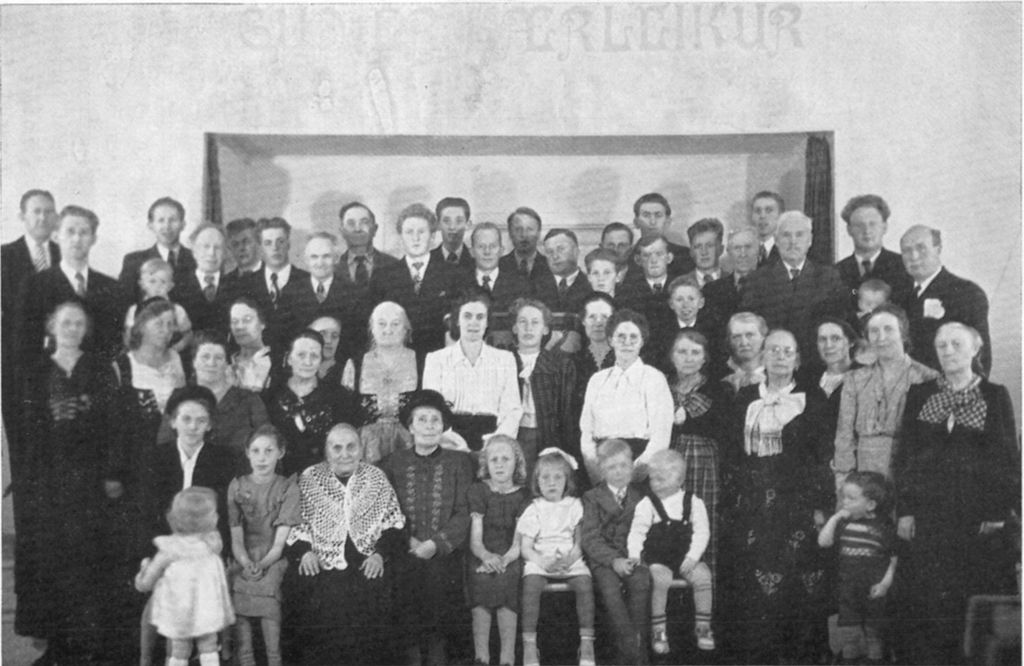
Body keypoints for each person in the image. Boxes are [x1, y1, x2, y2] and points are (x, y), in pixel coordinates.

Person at [894, 322, 1019, 665]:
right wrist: (905, 510)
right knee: (928, 599)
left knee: (970, 596)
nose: (948, 351)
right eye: (942, 345)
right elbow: (905, 456)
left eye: (956, 344)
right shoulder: (921, 393)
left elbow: (1007, 458)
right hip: (928, 514)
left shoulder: (994, 395)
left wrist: (997, 512)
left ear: (976, 349)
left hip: (976, 517)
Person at [720, 328, 833, 664]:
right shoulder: (745, 397)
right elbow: (732, 452)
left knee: (799, 577)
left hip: (797, 503)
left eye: (787, 351)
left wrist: (820, 505)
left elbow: (822, 456)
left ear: (797, 359)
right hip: (753, 503)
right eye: (773, 350)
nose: (780, 357)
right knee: (756, 576)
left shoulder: (813, 398)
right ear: (763, 356)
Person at [16, 301, 116, 662]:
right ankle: (57, 646)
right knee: (53, 560)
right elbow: (30, 429)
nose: (72, 329)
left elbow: (112, 424)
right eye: (66, 323)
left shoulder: (100, 368)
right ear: (52, 327)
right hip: (51, 480)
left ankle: (87, 646)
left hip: (91, 480)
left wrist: (111, 473)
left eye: (78, 323)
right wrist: (33, 481)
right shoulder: (37, 371)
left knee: (88, 558)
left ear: (86, 329)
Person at [283, 424, 407, 665]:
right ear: (326, 451)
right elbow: (297, 523)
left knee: (374, 600)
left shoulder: (375, 477)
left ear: (361, 449)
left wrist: (379, 555)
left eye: (351, 447)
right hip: (322, 561)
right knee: (320, 601)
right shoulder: (310, 478)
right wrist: (305, 553)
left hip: (367, 559)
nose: (344, 454)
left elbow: (393, 524)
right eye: (337, 448)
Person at [382, 389, 474, 666]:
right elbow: (386, 508)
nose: (429, 426)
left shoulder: (459, 462)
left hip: (445, 553)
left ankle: (438, 658)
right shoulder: (393, 463)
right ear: (410, 426)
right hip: (405, 550)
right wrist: (407, 541)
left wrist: (435, 544)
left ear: (444, 426)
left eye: (435, 420)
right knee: (405, 594)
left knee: (439, 592)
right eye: (421, 419)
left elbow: (463, 512)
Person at [832, 305, 939, 488]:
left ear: (902, 333)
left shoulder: (927, 378)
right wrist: (844, 482)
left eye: (888, 329)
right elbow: (844, 436)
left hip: (906, 473)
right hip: (863, 476)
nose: (881, 337)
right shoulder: (854, 379)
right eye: (874, 331)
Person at [16, 205, 127, 369]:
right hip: (52, 378)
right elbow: (26, 345)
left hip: (98, 377)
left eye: (84, 233)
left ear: (93, 239)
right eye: (70, 231)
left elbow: (115, 344)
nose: (76, 239)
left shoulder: (112, 287)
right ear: (56, 236)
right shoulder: (35, 285)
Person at [134, 487, 234, 666]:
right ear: (212, 520)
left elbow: (145, 584)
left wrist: (143, 570)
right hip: (207, 611)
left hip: (179, 613)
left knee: (180, 649)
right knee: (209, 645)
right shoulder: (211, 547)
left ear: (172, 518)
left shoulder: (170, 550)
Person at [628, 449, 715, 655]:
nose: (656, 484)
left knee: (704, 577)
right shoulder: (647, 504)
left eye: (662, 479)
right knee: (660, 580)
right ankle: (659, 631)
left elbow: (702, 532)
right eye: (653, 479)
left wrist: (692, 557)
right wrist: (634, 554)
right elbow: (637, 532)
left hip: (687, 558)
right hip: (659, 559)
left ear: (680, 480)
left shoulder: (694, 502)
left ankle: (703, 627)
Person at [228, 426, 301, 666]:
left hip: (273, 559)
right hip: (243, 557)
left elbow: (279, 544)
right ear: (247, 453)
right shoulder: (237, 486)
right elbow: (236, 537)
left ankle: (274, 659)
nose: (262, 458)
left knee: (269, 599)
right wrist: (246, 563)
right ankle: (246, 659)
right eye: (256, 451)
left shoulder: (288, 487)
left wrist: (262, 564)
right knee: (238, 593)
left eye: (269, 451)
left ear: (281, 452)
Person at [516, 448, 596, 666]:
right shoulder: (534, 508)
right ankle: (530, 645)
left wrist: (569, 560)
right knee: (531, 585)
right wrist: (542, 562)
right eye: (545, 478)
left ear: (567, 480)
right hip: (541, 559)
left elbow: (580, 543)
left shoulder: (574, 505)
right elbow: (526, 547)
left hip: (570, 559)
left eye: (558, 477)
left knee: (584, 583)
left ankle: (587, 643)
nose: (551, 483)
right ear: (537, 482)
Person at [1, 189, 60, 479]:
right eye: (36, 211)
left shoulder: (65, 253)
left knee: (56, 445)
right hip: (17, 367)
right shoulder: (4, 256)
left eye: (48, 211)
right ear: (22, 216)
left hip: (59, 366)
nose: (42, 217)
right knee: (23, 447)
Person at [579, 309, 673, 484]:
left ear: (642, 341)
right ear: (610, 340)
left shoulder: (654, 378)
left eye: (633, 337)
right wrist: (596, 470)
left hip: (639, 464)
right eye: (621, 336)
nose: (627, 343)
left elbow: (661, 436)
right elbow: (586, 431)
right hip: (602, 464)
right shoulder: (597, 380)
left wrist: (634, 474)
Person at [369, 203, 471, 362]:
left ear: (432, 236)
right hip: (396, 362)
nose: (415, 238)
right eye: (409, 232)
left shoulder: (454, 275)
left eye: (421, 232)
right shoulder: (382, 276)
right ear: (400, 236)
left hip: (439, 360)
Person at [580, 439, 651, 666]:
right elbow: (590, 538)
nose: (619, 471)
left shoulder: (640, 497)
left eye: (624, 465)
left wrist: (633, 558)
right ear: (601, 471)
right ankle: (632, 650)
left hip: (632, 558)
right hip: (604, 561)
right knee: (610, 590)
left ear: (632, 466)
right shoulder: (592, 497)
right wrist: (613, 560)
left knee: (641, 582)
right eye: (612, 467)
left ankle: (634, 652)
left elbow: (646, 532)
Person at [423, 293, 522, 451]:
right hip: (449, 442)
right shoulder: (436, 360)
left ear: (487, 322)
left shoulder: (505, 360)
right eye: (467, 316)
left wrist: (495, 442)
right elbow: (431, 408)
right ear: (457, 320)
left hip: (493, 441)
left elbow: (512, 410)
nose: (473, 322)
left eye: (480, 317)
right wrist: (451, 440)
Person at [155, 331, 269, 468]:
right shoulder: (179, 397)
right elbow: (164, 446)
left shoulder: (249, 400)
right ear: (194, 361)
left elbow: (268, 444)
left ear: (227, 363)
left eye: (218, 358)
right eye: (205, 357)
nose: (211, 363)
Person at [818, 471, 897, 665]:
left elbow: (893, 559)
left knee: (874, 635)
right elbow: (823, 542)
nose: (845, 502)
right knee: (849, 635)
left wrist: (885, 584)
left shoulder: (884, 526)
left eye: (851, 498)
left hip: (874, 591)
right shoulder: (843, 523)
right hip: (848, 592)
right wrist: (835, 518)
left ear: (870, 505)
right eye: (843, 497)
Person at [740, 211, 847, 354]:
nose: (793, 241)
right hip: (775, 357)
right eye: (786, 235)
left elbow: (838, 324)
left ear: (810, 240)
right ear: (776, 240)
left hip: (815, 357)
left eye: (799, 235)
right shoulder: (757, 280)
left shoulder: (829, 277)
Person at [665, 329, 727, 573]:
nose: (688, 358)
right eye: (682, 352)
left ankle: (705, 587)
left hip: (704, 464)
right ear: (672, 356)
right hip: (668, 460)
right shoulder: (661, 386)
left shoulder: (716, 389)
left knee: (702, 519)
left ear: (704, 358)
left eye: (695, 352)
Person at [467, 435, 532, 666]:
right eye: (494, 459)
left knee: (507, 580)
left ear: (517, 462)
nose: (500, 464)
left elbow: (518, 543)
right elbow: (475, 540)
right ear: (486, 463)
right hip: (481, 553)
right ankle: (481, 657)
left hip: (511, 555)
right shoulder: (478, 491)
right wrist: (486, 557)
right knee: (480, 580)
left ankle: (507, 658)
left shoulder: (524, 495)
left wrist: (503, 560)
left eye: (506, 459)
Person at [898, 224, 992, 375]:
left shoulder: (967, 292)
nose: (914, 257)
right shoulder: (899, 294)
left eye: (921, 248)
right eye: (907, 251)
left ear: (938, 249)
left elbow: (981, 358)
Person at [266, 329, 360, 475]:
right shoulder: (271, 396)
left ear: (321, 360)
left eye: (314, 356)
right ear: (289, 358)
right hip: (279, 479)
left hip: (325, 478)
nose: (308, 362)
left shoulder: (338, 396)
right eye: (301, 355)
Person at [511, 298, 581, 475]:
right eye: (522, 322)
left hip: (548, 437)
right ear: (515, 328)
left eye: (535, 322)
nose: (528, 328)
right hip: (513, 436)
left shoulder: (560, 365)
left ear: (545, 329)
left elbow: (566, 414)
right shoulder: (503, 362)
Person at [342, 302, 418, 462]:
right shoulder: (355, 364)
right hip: (365, 449)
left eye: (395, 324)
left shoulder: (422, 362)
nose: (388, 330)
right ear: (372, 328)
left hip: (411, 446)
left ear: (406, 328)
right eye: (382, 324)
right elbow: (346, 413)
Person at [336, 201, 401, 354]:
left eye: (364, 222)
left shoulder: (395, 267)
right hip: (343, 353)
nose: (357, 228)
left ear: (375, 229)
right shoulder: (332, 270)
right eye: (351, 223)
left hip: (385, 352)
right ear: (342, 231)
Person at [279, 232, 360, 350]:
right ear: (306, 260)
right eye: (314, 257)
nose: (320, 263)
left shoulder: (352, 293)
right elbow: (283, 337)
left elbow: (356, 338)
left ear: (336, 258)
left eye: (326, 256)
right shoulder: (290, 292)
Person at [238, 217, 310, 350]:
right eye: (268, 243)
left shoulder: (307, 281)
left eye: (280, 241)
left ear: (288, 244)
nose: (275, 248)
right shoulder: (246, 285)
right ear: (260, 248)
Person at [834, 194, 913, 303]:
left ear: (884, 227)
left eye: (873, 224)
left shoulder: (904, 267)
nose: (867, 231)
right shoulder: (835, 273)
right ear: (849, 230)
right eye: (859, 225)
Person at [119, 197, 196, 302]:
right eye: (161, 220)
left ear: (183, 225)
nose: (167, 226)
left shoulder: (197, 259)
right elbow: (124, 302)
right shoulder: (133, 261)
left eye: (173, 220)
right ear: (150, 225)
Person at [466, 221, 531, 341]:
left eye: (493, 246)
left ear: (501, 250)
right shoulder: (460, 284)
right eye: (481, 246)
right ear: (472, 251)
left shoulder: (520, 284)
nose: (487, 252)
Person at [173, 223, 242, 335]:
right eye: (206, 246)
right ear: (194, 251)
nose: (211, 253)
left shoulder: (238, 287)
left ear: (225, 253)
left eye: (217, 248)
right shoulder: (177, 287)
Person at [123, 258, 193, 354]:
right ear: (142, 284)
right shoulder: (134, 310)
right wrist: (135, 351)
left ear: (170, 286)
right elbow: (128, 334)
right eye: (152, 281)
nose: (158, 286)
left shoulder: (177, 309)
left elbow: (188, 334)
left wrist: (175, 349)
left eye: (163, 282)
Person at [531, 229, 594, 332]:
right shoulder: (534, 288)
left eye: (561, 249)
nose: (555, 256)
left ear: (576, 252)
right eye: (549, 252)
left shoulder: (592, 286)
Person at [624, 193, 693, 281]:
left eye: (658, 215)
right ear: (636, 222)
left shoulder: (685, 255)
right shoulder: (627, 257)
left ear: (667, 221)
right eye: (646, 215)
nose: (652, 222)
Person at [703, 226, 759, 320]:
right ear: (729, 252)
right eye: (737, 248)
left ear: (758, 250)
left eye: (748, 247)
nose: (743, 254)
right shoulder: (711, 291)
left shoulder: (772, 287)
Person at [229, 297, 275, 394]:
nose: (240, 327)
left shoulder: (275, 363)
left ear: (262, 324)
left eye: (247, 320)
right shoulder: (226, 362)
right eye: (234, 321)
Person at [573, 293, 616, 392]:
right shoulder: (572, 362)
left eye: (605, 317)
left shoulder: (623, 358)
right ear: (583, 321)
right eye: (592, 317)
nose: (598, 323)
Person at [498, 206, 551, 281]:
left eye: (530, 229)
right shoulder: (498, 266)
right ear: (510, 233)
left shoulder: (551, 266)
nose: (524, 235)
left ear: (538, 233)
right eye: (518, 229)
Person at [721, 311, 767, 392]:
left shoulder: (778, 372)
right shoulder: (721, 377)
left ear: (763, 337)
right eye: (736, 337)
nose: (744, 343)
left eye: (750, 335)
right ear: (729, 341)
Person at [432, 196, 475, 268]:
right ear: (438, 224)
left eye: (459, 221)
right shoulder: (426, 260)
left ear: (468, 224)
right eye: (446, 221)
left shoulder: (477, 261)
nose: (452, 227)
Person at [682, 217, 725, 288]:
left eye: (710, 245)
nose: (704, 252)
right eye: (698, 247)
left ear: (721, 249)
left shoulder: (734, 281)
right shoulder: (680, 284)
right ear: (691, 252)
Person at [749, 191, 783, 266]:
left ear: (780, 216)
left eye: (769, 210)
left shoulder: (786, 251)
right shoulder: (745, 251)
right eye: (757, 211)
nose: (762, 216)